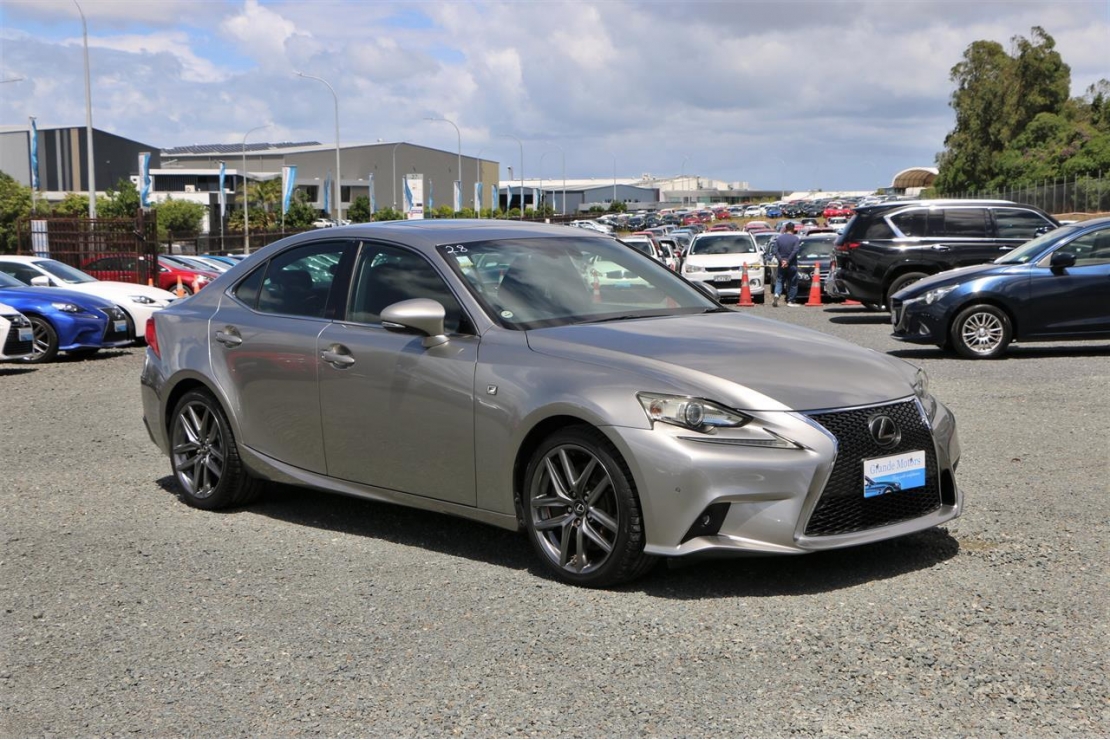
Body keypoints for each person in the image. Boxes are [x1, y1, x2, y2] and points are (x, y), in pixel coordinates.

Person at [772, 222, 802, 307]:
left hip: (781, 264)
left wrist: (781, 260)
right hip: (792, 264)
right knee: (793, 282)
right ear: (793, 229)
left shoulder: (779, 239)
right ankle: (791, 301)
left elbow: (775, 251)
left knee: (780, 280)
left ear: (785, 228)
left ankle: (777, 294)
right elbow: (795, 251)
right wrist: (788, 261)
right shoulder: (796, 239)